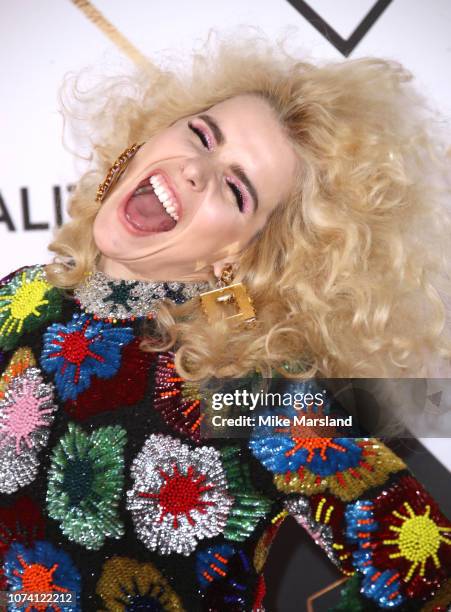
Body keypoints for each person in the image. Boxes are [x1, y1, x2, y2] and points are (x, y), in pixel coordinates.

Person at [0, 33, 450, 611]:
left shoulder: (254, 389)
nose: (195, 169)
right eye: (202, 135)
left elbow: (424, 569)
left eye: (237, 190)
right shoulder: (22, 294)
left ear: (239, 254)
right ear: (151, 136)